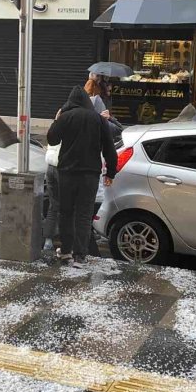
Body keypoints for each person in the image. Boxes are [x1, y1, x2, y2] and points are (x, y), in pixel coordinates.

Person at [47, 87, 117, 268]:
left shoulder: (66, 116)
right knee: (84, 215)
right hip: (90, 175)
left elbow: (52, 139)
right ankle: (80, 256)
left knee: (66, 212)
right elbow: (110, 148)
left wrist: (57, 119)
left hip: (67, 173)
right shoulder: (98, 119)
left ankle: (65, 251)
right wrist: (110, 173)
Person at [42, 141, 60, 251]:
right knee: (67, 208)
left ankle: (47, 242)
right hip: (62, 168)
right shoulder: (71, 125)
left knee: (53, 206)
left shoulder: (56, 127)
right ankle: (67, 245)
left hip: (50, 167)